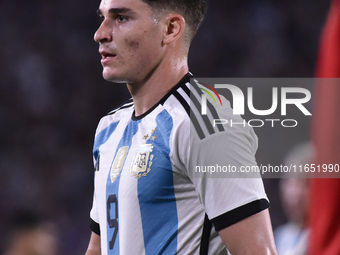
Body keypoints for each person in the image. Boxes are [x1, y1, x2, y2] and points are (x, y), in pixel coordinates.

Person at [85, 0, 278, 254]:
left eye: (121, 18)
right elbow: (98, 248)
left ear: (171, 29)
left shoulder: (206, 123)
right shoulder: (109, 128)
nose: (100, 33)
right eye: (103, 17)